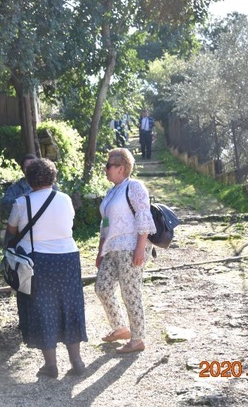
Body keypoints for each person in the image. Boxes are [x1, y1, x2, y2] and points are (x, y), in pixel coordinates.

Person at [6, 158, 87, 378]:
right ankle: (77, 361)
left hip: (37, 261)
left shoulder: (22, 203)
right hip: (68, 259)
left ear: (29, 179)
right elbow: (66, 224)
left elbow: (12, 231)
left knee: (42, 308)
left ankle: (51, 365)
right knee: (69, 306)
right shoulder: (65, 199)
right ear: (53, 177)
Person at [95, 148, 156, 354]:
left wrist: (140, 248)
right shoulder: (111, 192)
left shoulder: (134, 186)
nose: (106, 169)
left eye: (108, 165)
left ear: (121, 168)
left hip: (131, 247)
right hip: (111, 249)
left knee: (130, 292)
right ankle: (121, 328)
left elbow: (143, 217)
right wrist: (100, 251)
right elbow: (105, 224)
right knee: (102, 288)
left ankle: (137, 339)